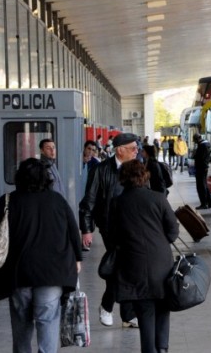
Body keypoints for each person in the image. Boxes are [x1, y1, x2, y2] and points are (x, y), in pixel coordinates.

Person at [0, 158, 82, 353]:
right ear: (46, 178)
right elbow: (73, 231)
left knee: (21, 322)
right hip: (51, 273)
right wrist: (77, 259)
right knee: (47, 320)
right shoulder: (57, 200)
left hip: (19, 272)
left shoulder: (9, 201)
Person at [112, 160, 179, 353]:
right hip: (161, 261)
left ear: (123, 178)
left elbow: (112, 234)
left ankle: (149, 350)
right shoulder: (158, 198)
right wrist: (158, 240)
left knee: (145, 310)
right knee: (163, 305)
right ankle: (162, 348)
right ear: (144, 175)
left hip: (133, 262)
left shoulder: (118, 203)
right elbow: (173, 231)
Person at [78, 132, 140, 328]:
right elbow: (88, 202)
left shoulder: (138, 168)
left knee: (125, 267)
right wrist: (87, 229)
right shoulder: (101, 170)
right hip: (110, 226)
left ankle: (121, 312)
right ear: (120, 150)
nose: (136, 151)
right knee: (122, 265)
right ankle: (112, 308)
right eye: (133, 148)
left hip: (133, 226)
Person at [193, 133, 211, 209]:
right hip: (204, 167)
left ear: (197, 139)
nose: (195, 142)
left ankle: (203, 204)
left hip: (200, 167)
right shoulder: (206, 144)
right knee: (205, 184)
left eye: (195, 140)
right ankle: (210, 202)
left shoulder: (202, 146)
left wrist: (195, 154)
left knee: (201, 186)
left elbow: (197, 157)